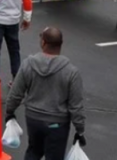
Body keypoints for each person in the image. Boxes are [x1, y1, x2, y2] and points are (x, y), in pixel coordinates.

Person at [6, 27, 86, 160]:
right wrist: (80, 130)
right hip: (57, 124)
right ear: (60, 44)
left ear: (43, 42)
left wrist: (9, 112)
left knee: (33, 151)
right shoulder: (71, 72)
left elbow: (16, 93)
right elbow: (76, 106)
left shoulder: (28, 65)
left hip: (33, 119)